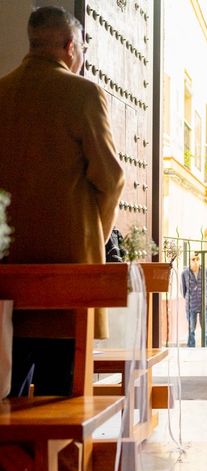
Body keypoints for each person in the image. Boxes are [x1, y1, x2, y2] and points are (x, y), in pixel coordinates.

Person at [0, 6, 125, 395]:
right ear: (71, 46)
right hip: (68, 274)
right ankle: (63, 459)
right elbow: (111, 177)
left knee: (8, 388)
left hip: (7, 274)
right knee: (62, 395)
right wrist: (97, 237)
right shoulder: (82, 92)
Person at [181, 253, 207, 348]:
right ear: (189, 260)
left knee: (206, 331)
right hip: (191, 305)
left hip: (204, 304)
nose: (195, 261)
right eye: (193, 259)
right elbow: (183, 289)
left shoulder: (206, 271)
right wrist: (189, 298)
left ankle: (206, 348)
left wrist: (206, 297)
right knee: (191, 330)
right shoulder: (185, 273)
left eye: (197, 259)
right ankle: (191, 348)